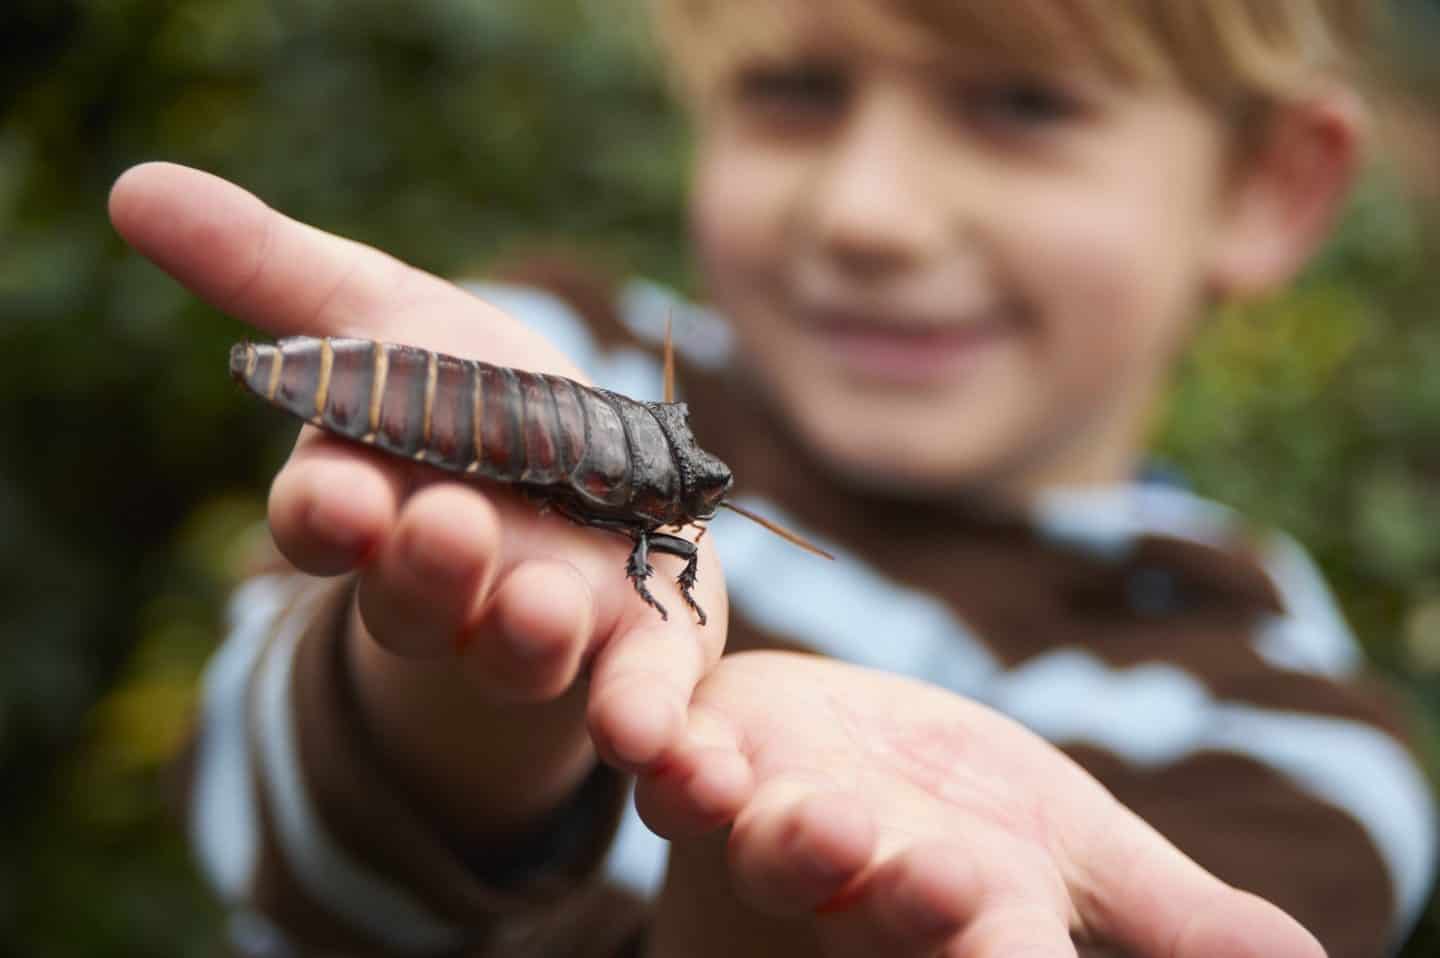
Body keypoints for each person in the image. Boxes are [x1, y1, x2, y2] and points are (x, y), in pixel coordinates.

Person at [109, 1, 1436, 956]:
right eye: (796, 87)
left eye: (1024, 103)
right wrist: (465, 702)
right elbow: (263, 796)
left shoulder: (1297, 740)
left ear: (1267, 187)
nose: (873, 213)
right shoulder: (552, 342)